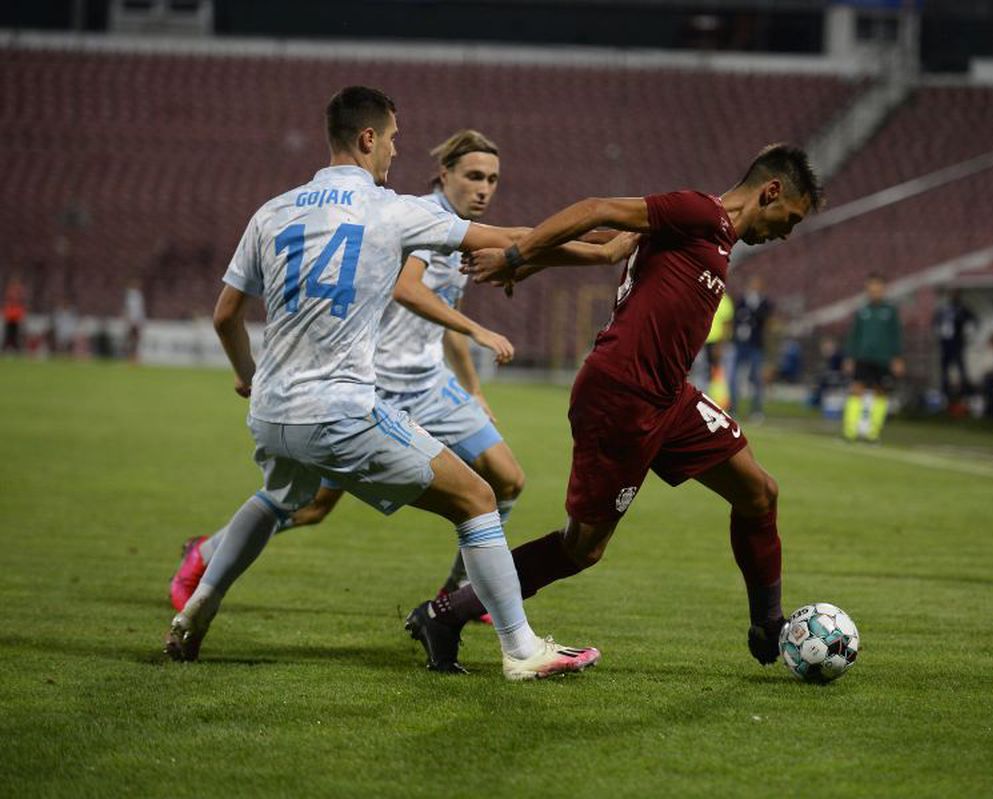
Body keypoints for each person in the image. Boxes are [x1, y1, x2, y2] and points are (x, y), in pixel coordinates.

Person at [163, 85, 623, 680]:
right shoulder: (394, 209)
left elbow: (226, 314)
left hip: (273, 410)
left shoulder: (272, 211)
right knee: (479, 498)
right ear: (367, 138)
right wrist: (606, 247)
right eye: (394, 141)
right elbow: (509, 239)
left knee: (278, 498)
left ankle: (197, 610)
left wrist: (248, 377)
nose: (395, 155)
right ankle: (520, 649)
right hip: (341, 410)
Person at [402, 143, 824, 672]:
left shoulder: (710, 238)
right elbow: (596, 208)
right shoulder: (699, 212)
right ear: (771, 191)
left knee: (759, 492)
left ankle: (769, 622)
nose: (786, 232)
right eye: (791, 218)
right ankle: (444, 612)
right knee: (581, 548)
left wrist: (529, 259)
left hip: (670, 397)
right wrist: (517, 255)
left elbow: (604, 246)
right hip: (621, 396)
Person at [168, 130, 530, 625]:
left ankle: (462, 593)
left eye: (492, 179)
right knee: (312, 507)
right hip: (371, 382)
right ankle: (207, 551)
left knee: (506, 479)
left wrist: (473, 388)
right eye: (473, 176)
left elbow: (444, 320)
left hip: (427, 384)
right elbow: (408, 290)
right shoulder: (414, 216)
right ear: (444, 175)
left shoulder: (457, 231)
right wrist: (483, 326)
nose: (484, 187)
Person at [841, 273, 903, 443]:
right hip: (863, 357)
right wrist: (850, 357)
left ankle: (873, 433)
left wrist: (897, 357)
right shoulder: (862, 311)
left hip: (883, 358)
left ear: (883, 290)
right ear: (867, 290)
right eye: (871, 289)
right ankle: (850, 431)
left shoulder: (890, 311)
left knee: (880, 393)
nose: (874, 292)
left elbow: (895, 335)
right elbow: (854, 335)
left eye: (878, 289)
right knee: (856, 390)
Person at [730, 274, 773, 420]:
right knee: (734, 377)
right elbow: (735, 318)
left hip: (755, 345)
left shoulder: (764, 302)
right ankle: (733, 408)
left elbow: (764, 318)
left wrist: (750, 313)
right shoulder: (742, 300)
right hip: (740, 344)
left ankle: (756, 410)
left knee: (756, 379)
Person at [932, 288, 975, 403]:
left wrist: (967, 333)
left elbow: (972, 321)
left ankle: (965, 394)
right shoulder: (944, 308)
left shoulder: (962, 308)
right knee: (944, 370)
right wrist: (938, 332)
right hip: (945, 343)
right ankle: (945, 394)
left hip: (957, 343)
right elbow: (936, 321)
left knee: (961, 369)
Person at [3, 276, 26, 354]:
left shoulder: (19, 291)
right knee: (8, 335)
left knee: (15, 335)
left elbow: (21, 303)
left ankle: (16, 350)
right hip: (10, 316)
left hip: (16, 317)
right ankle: (6, 349)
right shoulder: (11, 291)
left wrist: (21, 316)